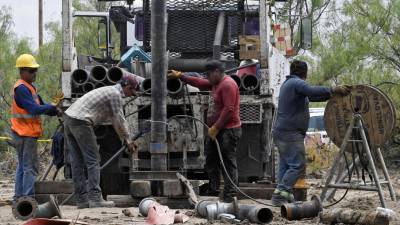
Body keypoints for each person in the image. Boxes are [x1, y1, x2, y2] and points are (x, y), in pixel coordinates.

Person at [271, 60, 351, 206]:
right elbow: (312, 91)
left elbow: (313, 96)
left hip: (282, 132)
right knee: (298, 165)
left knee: (286, 165)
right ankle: (280, 195)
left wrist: (331, 95)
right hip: (290, 133)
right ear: (305, 74)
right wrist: (333, 89)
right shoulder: (296, 83)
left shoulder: (288, 85)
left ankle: (283, 195)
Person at [168, 60, 241, 202]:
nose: (207, 77)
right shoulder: (216, 83)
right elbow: (200, 83)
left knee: (228, 162)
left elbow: (229, 109)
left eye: (208, 74)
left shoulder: (227, 84)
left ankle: (230, 194)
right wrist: (181, 76)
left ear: (217, 72)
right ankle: (213, 191)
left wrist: (217, 127)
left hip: (228, 130)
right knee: (211, 160)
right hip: (217, 130)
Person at [64, 75, 139, 208]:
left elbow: (114, 120)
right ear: (127, 87)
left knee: (77, 163)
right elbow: (119, 119)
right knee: (93, 160)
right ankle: (95, 198)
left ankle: (81, 200)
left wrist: (124, 138)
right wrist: (128, 139)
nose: (130, 95)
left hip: (69, 118)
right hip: (81, 121)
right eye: (131, 92)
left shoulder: (109, 91)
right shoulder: (115, 94)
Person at [11, 54, 60, 202]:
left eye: (35, 70)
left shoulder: (29, 88)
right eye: (31, 71)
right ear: (22, 71)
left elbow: (41, 105)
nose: (34, 73)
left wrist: (56, 110)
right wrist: (51, 107)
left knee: (23, 167)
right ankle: (27, 200)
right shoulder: (21, 89)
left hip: (22, 133)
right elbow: (34, 109)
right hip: (25, 134)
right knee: (30, 168)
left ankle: (18, 199)